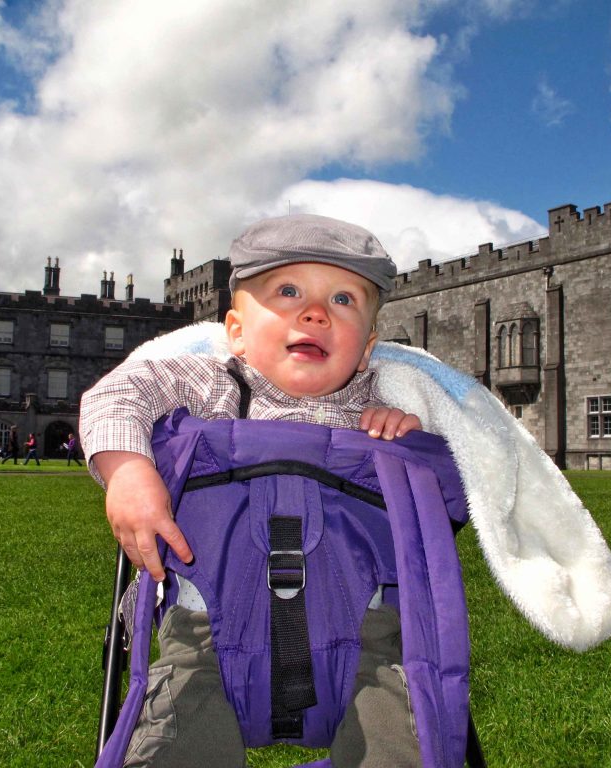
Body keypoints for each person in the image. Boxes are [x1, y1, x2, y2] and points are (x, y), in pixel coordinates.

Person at [81, 214, 425, 767]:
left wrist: (402, 434)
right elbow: (119, 390)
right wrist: (127, 471)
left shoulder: (377, 410)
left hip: (368, 644)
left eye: (343, 299)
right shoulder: (209, 384)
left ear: (366, 349)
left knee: (400, 748)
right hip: (207, 641)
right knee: (176, 749)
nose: (315, 312)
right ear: (235, 331)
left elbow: (444, 488)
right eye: (288, 292)